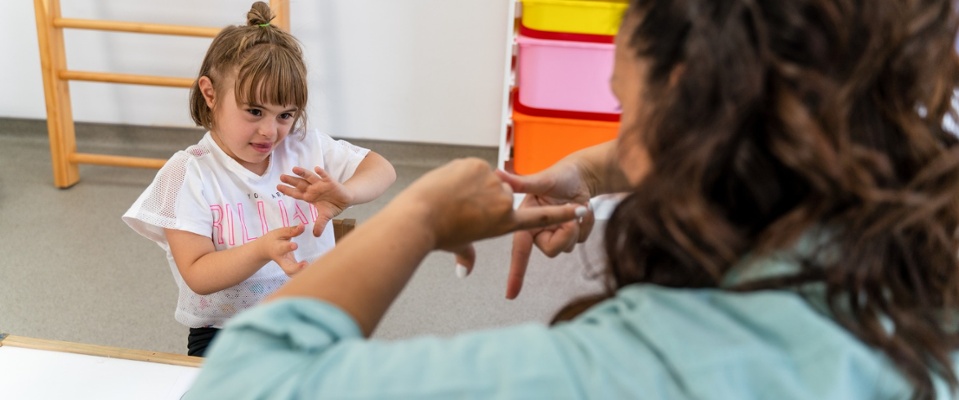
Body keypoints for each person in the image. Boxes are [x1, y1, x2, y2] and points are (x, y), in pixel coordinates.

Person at [185, 0, 959, 398]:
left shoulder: (644, 365)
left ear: (687, 106)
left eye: (626, 107)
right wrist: (588, 172)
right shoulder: (926, 234)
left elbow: (250, 383)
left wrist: (416, 216)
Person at [122, 1, 396, 357]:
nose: (270, 131)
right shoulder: (188, 173)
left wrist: (347, 191)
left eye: (285, 115)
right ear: (210, 94)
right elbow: (198, 274)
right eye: (254, 111)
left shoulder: (304, 147)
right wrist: (262, 250)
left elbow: (383, 169)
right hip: (224, 330)